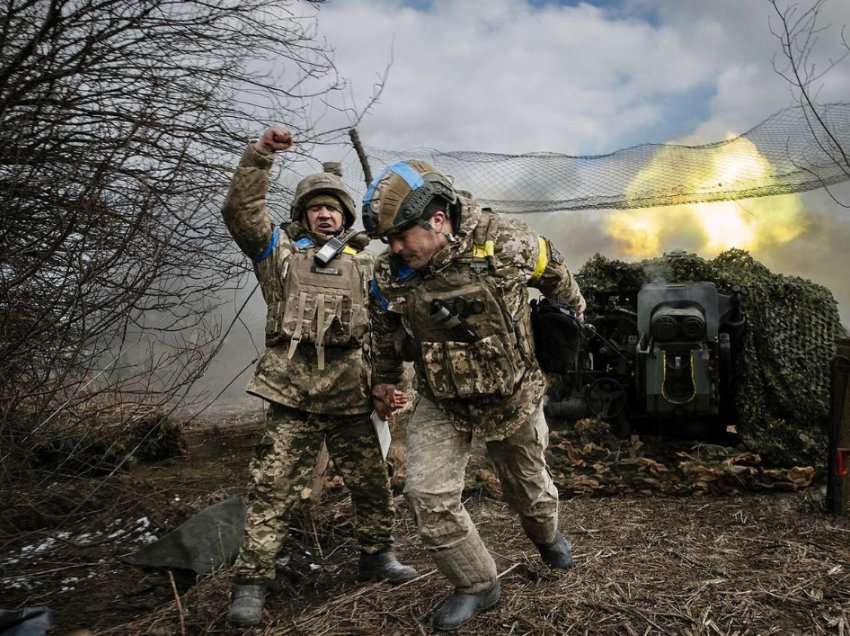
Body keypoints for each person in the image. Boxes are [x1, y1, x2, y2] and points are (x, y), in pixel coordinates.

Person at [363, 160, 586, 631]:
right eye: (390, 241)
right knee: (426, 495)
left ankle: (546, 537)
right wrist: (385, 381)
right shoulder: (390, 275)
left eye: (403, 236)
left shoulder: (509, 242)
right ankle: (477, 585)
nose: (396, 249)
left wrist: (567, 324)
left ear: (438, 219)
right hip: (443, 402)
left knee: (531, 495)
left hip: (514, 398)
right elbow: (384, 333)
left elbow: (560, 280)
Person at [220, 127, 417, 627]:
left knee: (372, 483)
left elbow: (386, 327)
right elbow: (241, 214)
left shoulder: (369, 263)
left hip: (352, 396)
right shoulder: (278, 256)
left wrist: (388, 384)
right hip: (292, 395)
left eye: (333, 207)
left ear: (346, 215)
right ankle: (252, 583)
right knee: (272, 490)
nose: (325, 214)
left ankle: (377, 556)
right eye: (316, 207)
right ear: (303, 214)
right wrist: (259, 156)